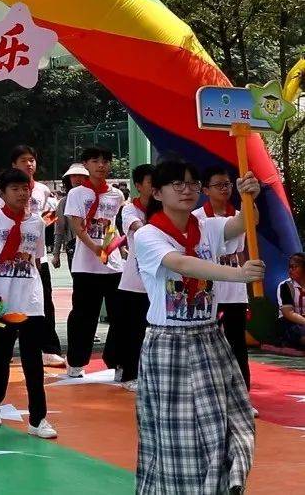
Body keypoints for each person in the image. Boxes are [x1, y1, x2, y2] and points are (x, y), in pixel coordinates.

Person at [133, 159, 261, 494]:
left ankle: (221, 486)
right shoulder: (148, 234)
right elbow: (180, 262)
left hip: (209, 338)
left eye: (191, 182)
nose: (186, 189)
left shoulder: (208, 226)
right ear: (157, 192)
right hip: (169, 344)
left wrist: (251, 198)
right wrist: (239, 274)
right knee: (178, 437)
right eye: (177, 183)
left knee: (231, 421)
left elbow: (241, 224)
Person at [0, 168, 57, 439]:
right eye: (15, 189)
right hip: (1, 300)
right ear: (2, 193)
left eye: (25, 189)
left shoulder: (37, 222)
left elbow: (36, 260)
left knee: (33, 359)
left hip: (31, 300)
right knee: (1, 352)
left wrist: (41, 295)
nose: (22, 193)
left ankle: (38, 419)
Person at [64, 146, 125, 378]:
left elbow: (113, 225)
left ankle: (118, 361)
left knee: (119, 314)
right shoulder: (77, 194)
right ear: (85, 165)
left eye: (106, 160)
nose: (101, 165)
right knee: (83, 315)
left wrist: (119, 247)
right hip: (85, 265)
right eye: (95, 161)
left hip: (113, 264)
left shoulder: (117, 195)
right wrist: (97, 249)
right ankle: (76, 361)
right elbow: (77, 227)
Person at [193, 166, 252, 397]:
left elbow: (243, 251)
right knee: (206, 344)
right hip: (208, 292)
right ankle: (209, 394)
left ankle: (242, 395)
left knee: (237, 344)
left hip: (235, 291)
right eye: (219, 185)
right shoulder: (197, 219)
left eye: (227, 184)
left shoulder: (239, 215)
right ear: (206, 190)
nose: (225, 189)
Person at [7, 145, 65, 367]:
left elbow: (50, 216)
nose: (29, 164)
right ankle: (5, 343)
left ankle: (49, 348)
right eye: (23, 160)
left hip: (35, 254)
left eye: (31, 160)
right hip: (10, 257)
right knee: (9, 299)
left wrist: (41, 223)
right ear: (14, 165)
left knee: (44, 300)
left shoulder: (42, 189)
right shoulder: (4, 189)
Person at [113, 164, 153, 392]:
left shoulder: (163, 208)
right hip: (134, 281)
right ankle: (129, 373)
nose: (156, 186)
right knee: (132, 330)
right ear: (138, 186)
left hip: (156, 282)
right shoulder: (130, 209)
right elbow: (139, 228)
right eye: (150, 182)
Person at [51, 163, 89, 270]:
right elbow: (59, 229)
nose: (77, 179)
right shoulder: (64, 202)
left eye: (81, 175)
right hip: (74, 247)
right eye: (73, 176)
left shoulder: (95, 198)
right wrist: (56, 254)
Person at [277, 253, 305, 349]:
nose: (290, 270)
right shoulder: (285, 286)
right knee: (299, 331)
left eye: (295, 267)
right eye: (290, 267)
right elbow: (288, 313)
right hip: (290, 322)